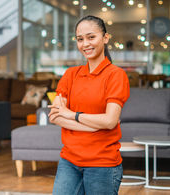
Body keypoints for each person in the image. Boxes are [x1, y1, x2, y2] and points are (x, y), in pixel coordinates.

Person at [48, 15, 130, 195]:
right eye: (80, 39)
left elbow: (109, 121)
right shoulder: (70, 74)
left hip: (102, 163)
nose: (85, 44)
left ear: (105, 38)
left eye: (91, 37)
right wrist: (92, 127)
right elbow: (54, 116)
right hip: (69, 161)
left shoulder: (116, 75)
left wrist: (72, 114)